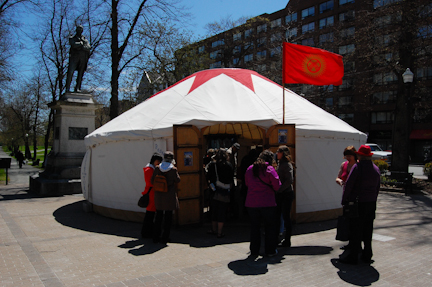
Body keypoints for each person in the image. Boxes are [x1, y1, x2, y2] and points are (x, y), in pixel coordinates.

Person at [339, 145, 380, 265]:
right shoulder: (376, 169)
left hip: (358, 203)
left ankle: (353, 256)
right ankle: (367, 254)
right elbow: (377, 187)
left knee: (356, 230)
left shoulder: (357, 167)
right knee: (368, 229)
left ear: (360, 155)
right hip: (371, 203)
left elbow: (349, 185)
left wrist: (344, 200)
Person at [245, 150, 281, 257]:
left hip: (252, 203)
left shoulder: (250, 169)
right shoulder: (270, 169)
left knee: (255, 227)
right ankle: (270, 250)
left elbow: (247, 183)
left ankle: (254, 251)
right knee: (269, 227)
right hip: (267, 203)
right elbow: (277, 185)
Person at [151, 151, 181, 244]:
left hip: (159, 195)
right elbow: (178, 180)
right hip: (169, 195)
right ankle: (165, 237)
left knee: (159, 216)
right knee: (168, 217)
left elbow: (152, 181)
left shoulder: (157, 168)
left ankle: (156, 236)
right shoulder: (173, 170)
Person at [206, 149, 234, 238]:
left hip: (214, 191)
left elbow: (208, 177)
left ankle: (214, 230)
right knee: (222, 212)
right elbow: (231, 179)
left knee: (214, 211)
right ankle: (219, 232)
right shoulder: (229, 165)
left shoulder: (212, 165)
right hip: (225, 191)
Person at [275, 145, 295, 248]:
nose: (276, 153)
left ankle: (287, 240)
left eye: (278, 151)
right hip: (281, 193)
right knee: (278, 216)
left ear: (283, 153)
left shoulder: (286, 165)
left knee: (286, 217)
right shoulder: (280, 164)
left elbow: (289, 180)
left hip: (286, 193)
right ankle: (278, 237)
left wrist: (280, 189)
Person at [141, 153, 163, 238]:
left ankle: (147, 231)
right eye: (158, 161)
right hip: (151, 194)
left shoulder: (151, 168)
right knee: (150, 214)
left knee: (150, 214)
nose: (159, 163)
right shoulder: (149, 169)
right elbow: (150, 182)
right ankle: (146, 232)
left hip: (152, 193)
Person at [65, 25, 91, 93]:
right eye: (78, 29)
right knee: (70, 72)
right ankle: (67, 88)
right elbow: (73, 45)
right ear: (76, 30)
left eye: (81, 29)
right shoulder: (72, 38)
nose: (79, 30)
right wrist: (81, 44)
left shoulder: (85, 40)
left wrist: (81, 46)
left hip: (82, 58)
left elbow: (88, 47)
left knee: (80, 74)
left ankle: (77, 88)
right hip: (74, 58)